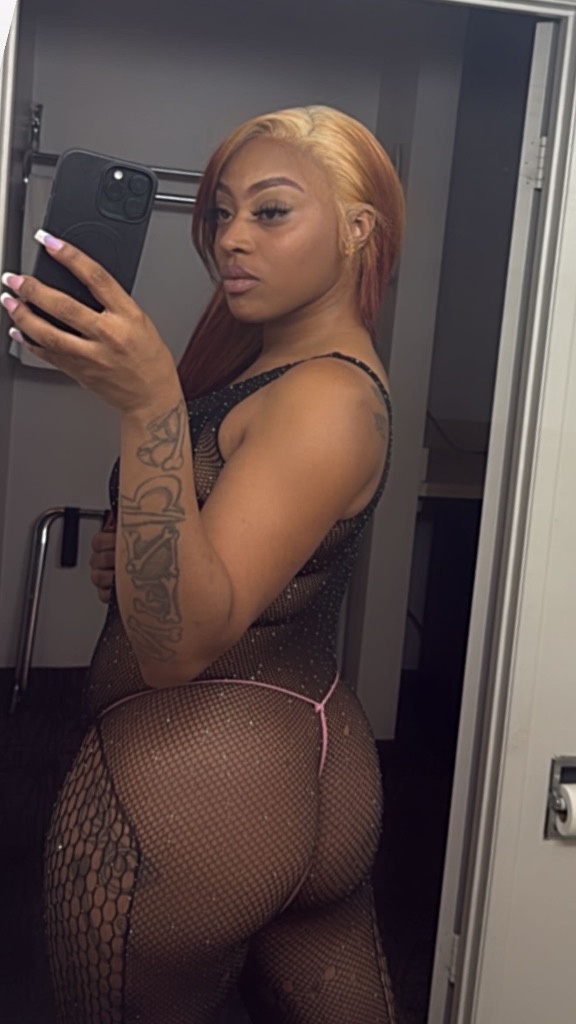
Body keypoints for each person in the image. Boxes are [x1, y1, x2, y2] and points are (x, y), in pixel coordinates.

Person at [1, 105, 404, 1023]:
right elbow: (226, 571)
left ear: (357, 228)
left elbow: (176, 648)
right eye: (221, 213)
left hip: (199, 781)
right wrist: (148, 557)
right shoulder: (300, 368)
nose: (230, 239)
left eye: (270, 212)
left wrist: (149, 404)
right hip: (309, 761)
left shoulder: (326, 395)